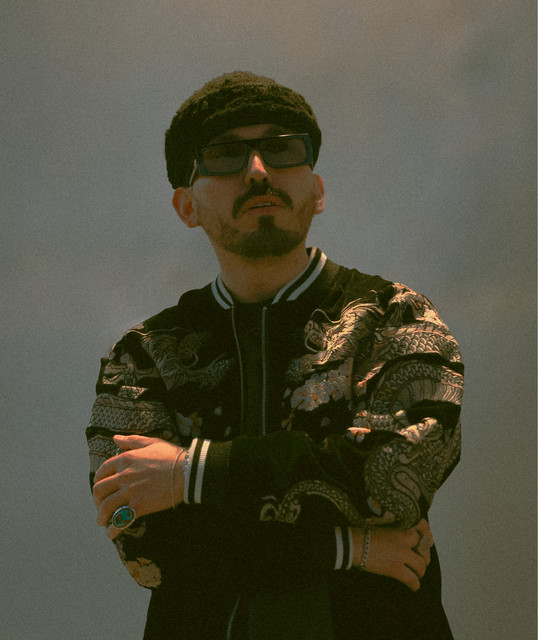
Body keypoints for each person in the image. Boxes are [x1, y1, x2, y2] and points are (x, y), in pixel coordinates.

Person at [86, 71, 463, 640]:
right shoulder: (142, 354)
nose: (258, 170)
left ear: (317, 190)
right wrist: (350, 547)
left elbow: (393, 479)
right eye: (224, 155)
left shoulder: (397, 317)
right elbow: (149, 547)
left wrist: (189, 472)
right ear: (186, 206)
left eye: (283, 149)